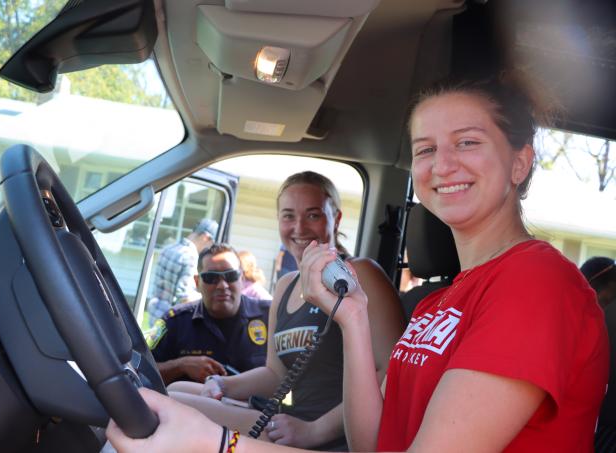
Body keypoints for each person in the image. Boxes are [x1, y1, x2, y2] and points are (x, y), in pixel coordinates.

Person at [106, 75, 609, 453]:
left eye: (468, 142)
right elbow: (371, 442)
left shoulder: (536, 283)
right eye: (426, 149)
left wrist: (217, 444)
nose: (443, 164)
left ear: (520, 161)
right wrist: (352, 317)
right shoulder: (438, 304)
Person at [163, 171, 405, 450]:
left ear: (336, 218)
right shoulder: (286, 285)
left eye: (313, 215)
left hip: (327, 435)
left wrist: (314, 431)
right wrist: (223, 385)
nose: (299, 228)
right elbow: (275, 374)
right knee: (177, 389)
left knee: (173, 401)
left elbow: (392, 371)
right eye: (288, 216)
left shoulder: (360, 274)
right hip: (287, 422)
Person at [151, 243, 271, 385]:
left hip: (253, 407)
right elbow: (142, 370)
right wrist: (180, 365)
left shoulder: (270, 316)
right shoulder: (174, 322)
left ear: (242, 278)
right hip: (191, 405)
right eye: (211, 277)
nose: (222, 285)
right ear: (197, 282)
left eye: (230, 275)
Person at [146, 218, 218, 327]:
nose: (210, 249)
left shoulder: (168, 248)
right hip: (169, 322)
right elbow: (184, 297)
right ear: (205, 237)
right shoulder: (191, 257)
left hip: (154, 314)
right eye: (212, 244)